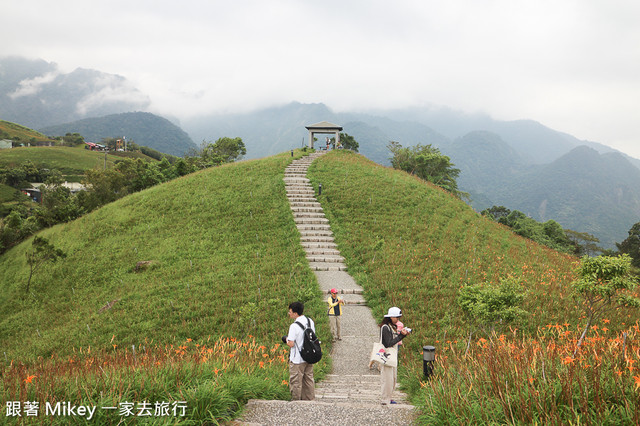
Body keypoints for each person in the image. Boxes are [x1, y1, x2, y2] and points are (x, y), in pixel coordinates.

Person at [285, 301, 316, 400]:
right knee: (308, 380)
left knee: (296, 382)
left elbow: (291, 343)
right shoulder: (310, 321)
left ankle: (296, 402)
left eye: (290, 312)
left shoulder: (294, 326)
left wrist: (285, 339)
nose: (289, 314)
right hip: (309, 356)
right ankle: (309, 400)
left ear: (295, 313)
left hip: (297, 359)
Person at [379, 306, 410, 405]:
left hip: (392, 356)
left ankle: (389, 397)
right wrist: (401, 336)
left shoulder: (391, 326)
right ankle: (385, 399)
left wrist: (402, 334)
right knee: (387, 379)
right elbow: (389, 343)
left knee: (393, 378)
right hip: (387, 356)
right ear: (391, 317)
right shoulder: (385, 328)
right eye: (396, 317)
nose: (398, 319)